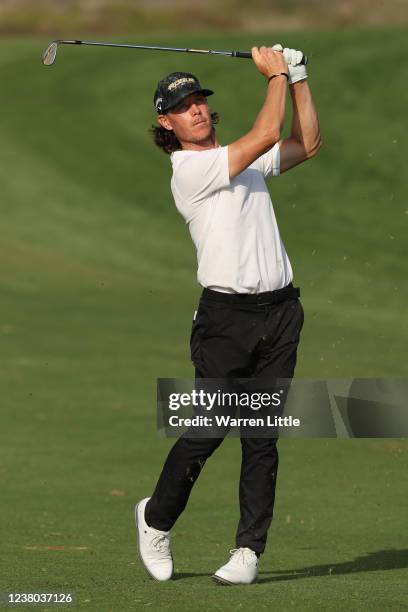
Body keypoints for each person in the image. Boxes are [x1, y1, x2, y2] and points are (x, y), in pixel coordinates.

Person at [135, 44, 322, 585]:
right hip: (225, 319)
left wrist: (301, 79)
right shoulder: (191, 169)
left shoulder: (241, 158)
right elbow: (265, 135)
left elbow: (306, 144)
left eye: (198, 99)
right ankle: (154, 518)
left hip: (282, 311)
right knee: (209, 429)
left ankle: (248, 550)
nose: (195, 109)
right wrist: (277, 75)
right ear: (165, 122)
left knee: (262, 434)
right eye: (182, 105)